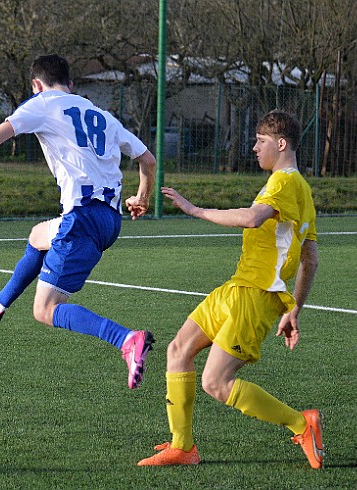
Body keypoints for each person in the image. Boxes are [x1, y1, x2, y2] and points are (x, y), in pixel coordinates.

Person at [0, 54, 158, 389]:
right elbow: (147, 160)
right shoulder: (102, 115)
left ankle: (126, 339)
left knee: (45, 310)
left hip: (81, 217)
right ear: (71, 84)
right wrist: (142, 197)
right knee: (38, 235)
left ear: (36, 85)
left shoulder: (43, 104)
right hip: (110, 219)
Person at [138, 110, 324, 469]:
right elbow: (310, 259)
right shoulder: (301, 191)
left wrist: (196, 210)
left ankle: (302, 424)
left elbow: (252, 218)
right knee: (178, 350)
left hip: (254, 296)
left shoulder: (284, 184)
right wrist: (294, 309)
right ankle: (183, 447)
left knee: (217, 382)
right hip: (237, 288)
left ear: (281, 144)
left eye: (261, 141)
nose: (254, 147)